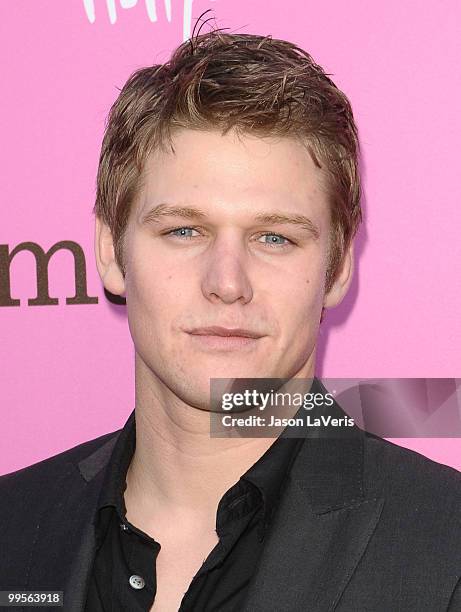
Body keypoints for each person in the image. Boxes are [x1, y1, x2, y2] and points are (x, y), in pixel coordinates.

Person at [1, 26, 460, 612]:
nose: (227, 283)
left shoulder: (445, 548)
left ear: (339, 265)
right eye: (183, 231)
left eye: (274, 237)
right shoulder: (12, 526)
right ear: (113, 251)